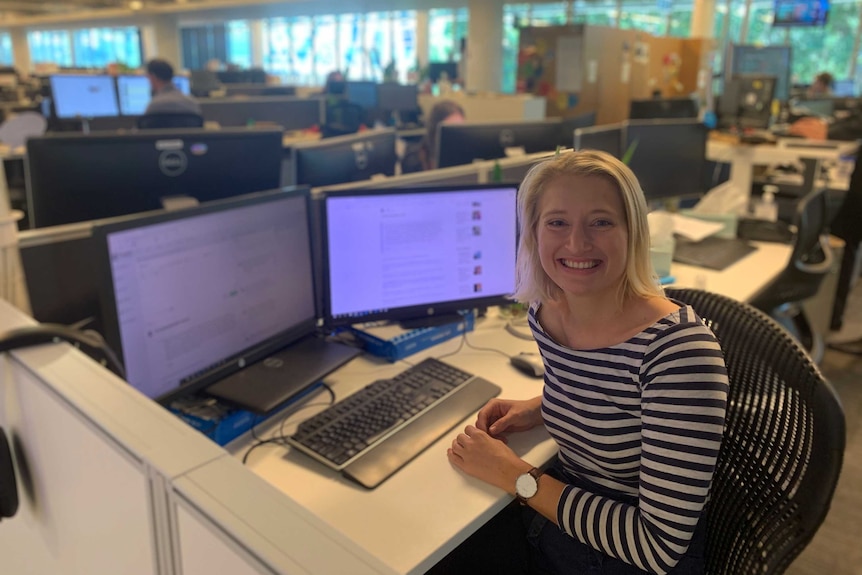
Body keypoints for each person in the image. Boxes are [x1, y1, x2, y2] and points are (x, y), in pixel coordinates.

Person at [435, 150, 729, 575]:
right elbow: (611, 391)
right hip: (565, 514)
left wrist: (514, 475)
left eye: (601, 222)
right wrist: (539, 407)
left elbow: (659, 547)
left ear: (633, 231)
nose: (576, 243)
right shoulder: (547, 312)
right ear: (533, 232)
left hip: (628, 556)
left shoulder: (678, 352)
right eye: (557, 222)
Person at [419, 99, 465, 170]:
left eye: (460, 129)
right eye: (451, 130)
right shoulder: (416, 160)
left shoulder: (464, 158)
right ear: (434, 131)